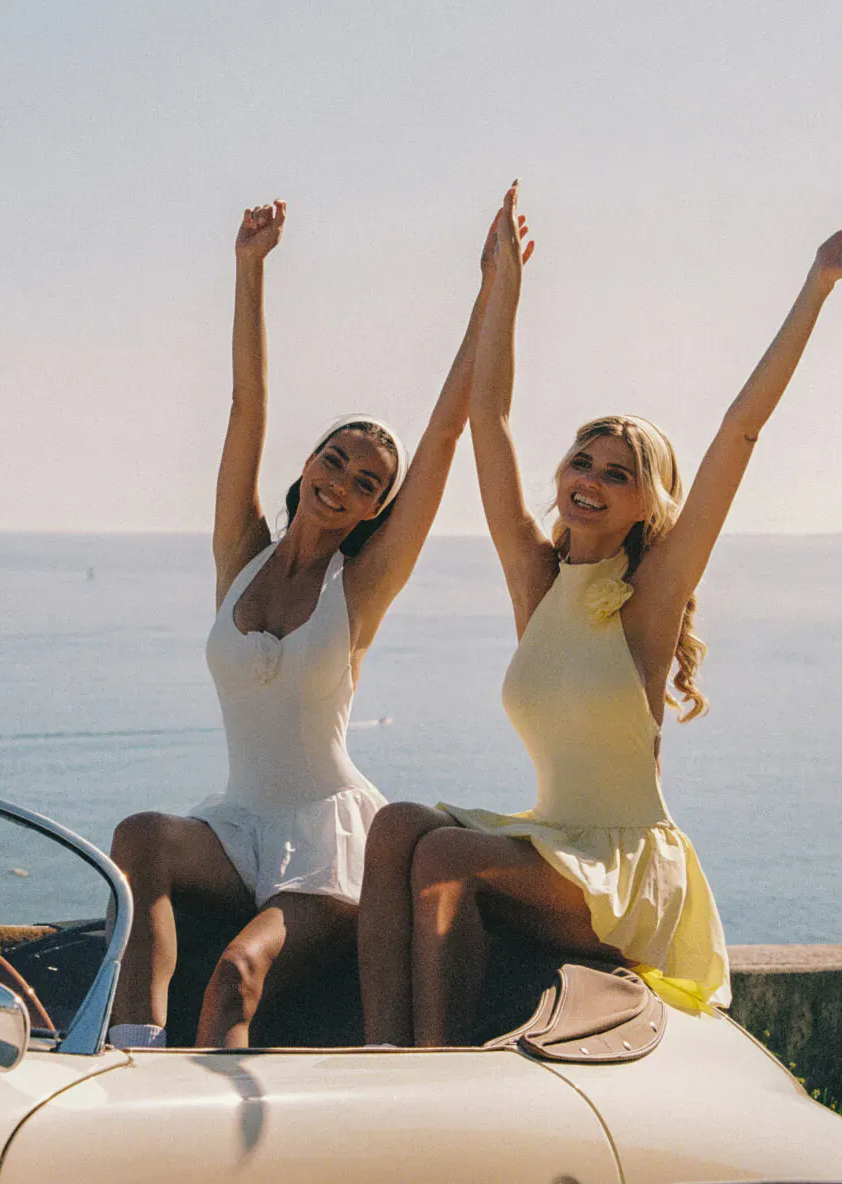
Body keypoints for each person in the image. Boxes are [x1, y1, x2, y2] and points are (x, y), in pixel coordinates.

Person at [358, 184, 842, 1047]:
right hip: (556, 847)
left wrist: (816, 285)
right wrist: (503, 282)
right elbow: (489, 417)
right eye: (581, 461)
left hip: (623, 871)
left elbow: (739, 431)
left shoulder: (646, 598)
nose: (588, 477)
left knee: (439, 854)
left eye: (616, 473)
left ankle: (432, 1070)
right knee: (397, 825)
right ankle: (378, 1048)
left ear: (643, 504)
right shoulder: (536, 581)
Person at [107, 196, 532, 1049]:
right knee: (140, 838)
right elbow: (244, 406)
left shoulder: (361, 586)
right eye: (334, 459)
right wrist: (249, 270)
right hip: (234, 829)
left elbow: (446, 434)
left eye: (368, 482)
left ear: (377, 506)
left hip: (326, 844)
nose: (343, 482)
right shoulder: (242, 556)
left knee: (234, 975)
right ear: (308, 464)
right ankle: (128, 1052)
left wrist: (491, 294)